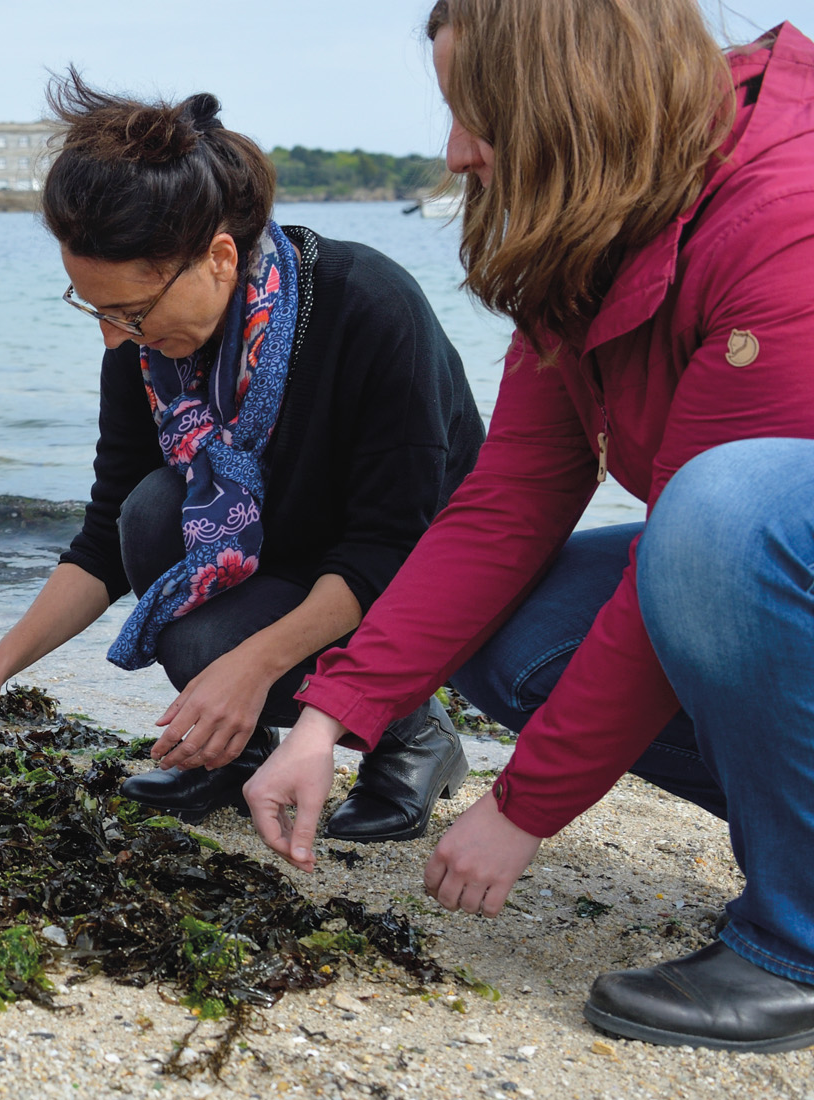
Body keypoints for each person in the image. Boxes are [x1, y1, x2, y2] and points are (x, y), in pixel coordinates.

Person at [244, 0, 814, 1054]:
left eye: (481, 115)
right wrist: (334, 714)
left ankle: (800, 936)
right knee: (523, 628)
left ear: (577, 104)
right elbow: (506, 500)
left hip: (758, 526)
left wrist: (522, 803)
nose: (456, 150)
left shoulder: (789, 210)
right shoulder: (609, 212)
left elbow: (699, 548)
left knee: (721, 512)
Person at [0, 75, 484, 847]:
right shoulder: (145, 350)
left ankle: (413, 730)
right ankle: (233, 748)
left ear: (219, 257)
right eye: (94, 309)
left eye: (129, 312)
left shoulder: (368, 305)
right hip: (286, 551)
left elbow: (389, 545)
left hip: (413, 579)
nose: (114, 339)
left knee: (215, 651)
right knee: (149, 512)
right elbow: (106, 537)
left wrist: (248, 668)